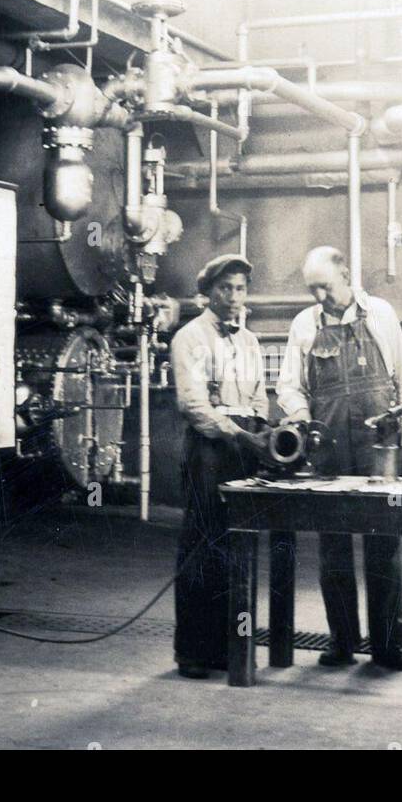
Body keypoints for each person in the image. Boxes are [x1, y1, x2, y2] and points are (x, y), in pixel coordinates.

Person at [276, 246, 402, 671]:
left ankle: (389, 645)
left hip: (380, 447)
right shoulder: (305, 324)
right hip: (330, 448)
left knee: (383, 546)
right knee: (333, 548)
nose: (319, 295)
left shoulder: (380, 314)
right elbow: (289, 386)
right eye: (312, 289)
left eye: (325, 285)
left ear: (345, 274)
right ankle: (342, 642)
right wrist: (301, 417)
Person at [169, 254, 271, 680]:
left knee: (236, 548)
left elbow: (260, 394)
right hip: (210, 449)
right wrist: (237, 433)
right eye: (225, 288)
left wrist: (262, 431)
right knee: (202, 544)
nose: (233, 297)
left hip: (245, 447)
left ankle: (226, 648)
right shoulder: (189, 338)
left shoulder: (249, 341)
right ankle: (193, 651)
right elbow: (193, 405)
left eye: (241, 288)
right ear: (209, 292)